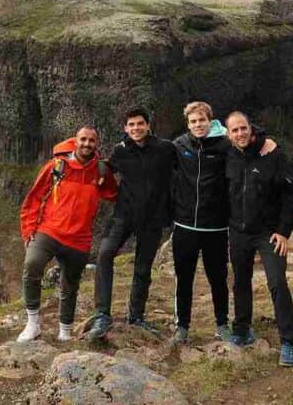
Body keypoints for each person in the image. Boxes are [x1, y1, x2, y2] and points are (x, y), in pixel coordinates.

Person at [171, 101, 275, 344]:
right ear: (188, 124)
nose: (198, 125)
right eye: (193, 121)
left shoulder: (225, 144)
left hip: (215, 226)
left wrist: (265, 138)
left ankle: (221, 323)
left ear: (211, 121)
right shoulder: (179, 145)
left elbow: (246, 134)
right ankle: (182, 326)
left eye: (202, 120)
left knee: (217, 278)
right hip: (185, 224)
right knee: (183, 278)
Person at [18, 126, 118, 342]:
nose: (87, 144)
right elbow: (34, 198)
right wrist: (28, 230)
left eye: (92, 141)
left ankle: (65, 332)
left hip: (79, 238)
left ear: (96, 144)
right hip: (49, 230)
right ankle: (33, 324)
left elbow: (113, 193)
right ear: (76, 140)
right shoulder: (57, 166)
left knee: (70, 285)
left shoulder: (100, 171)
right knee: (32, 266)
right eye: (83, 139)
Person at [87, 107, 176, 340]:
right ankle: (102, 315)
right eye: (131, 125)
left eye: (140, 124)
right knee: (105, 255)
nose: (136, 128)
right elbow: (103, 166)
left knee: (143, 268)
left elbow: (186, 166)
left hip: (153, 218)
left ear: (148, 125)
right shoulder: (121, 150)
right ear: (125, 128)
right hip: (124, 215)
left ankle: (136, 316)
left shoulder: (165, 149)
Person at [224, 111, 293, 367]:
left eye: (243, 128)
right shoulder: (227, 155)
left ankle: (288, 342)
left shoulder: (272, 155)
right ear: (228, 134)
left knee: (277, 282)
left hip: (268, 232)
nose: (240, 134)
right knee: (240, 282)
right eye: (234, 130)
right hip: (238, 231)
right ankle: (242, 330)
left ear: (251, 128)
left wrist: (283, 231)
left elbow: (291, 195)